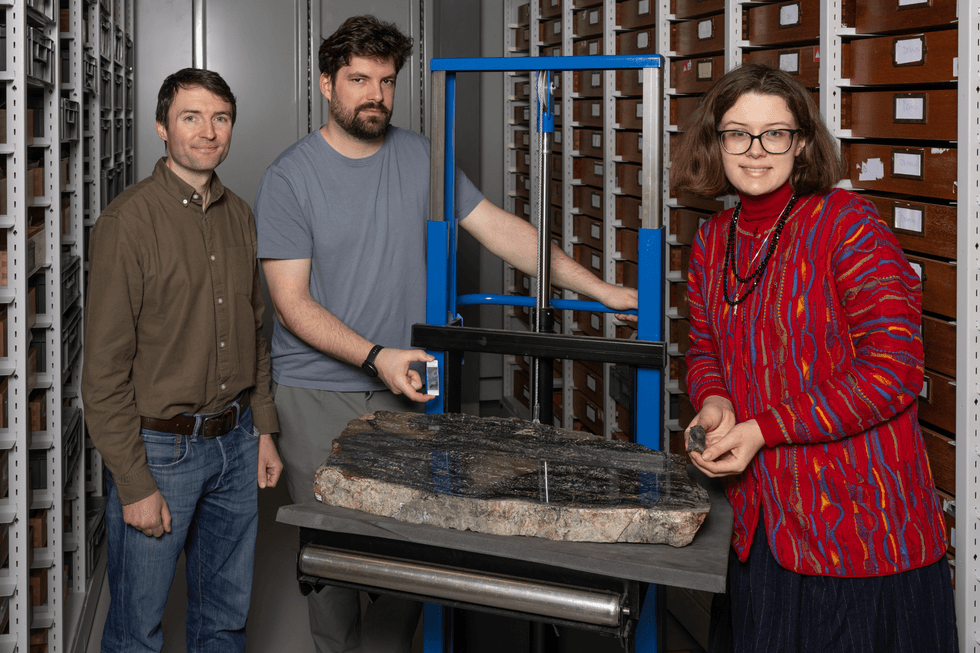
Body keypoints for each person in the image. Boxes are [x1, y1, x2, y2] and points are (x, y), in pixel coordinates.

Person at [254, 14, 638, 653]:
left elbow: (505, 231)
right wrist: (375, 357)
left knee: (412, 547)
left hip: (409, 382)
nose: (375, 94)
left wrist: (598, 291)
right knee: (336, 555)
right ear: (326, 84)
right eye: (358, 79)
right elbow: (293, 306)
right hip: (318, 387)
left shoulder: (423, 157)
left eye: (386, 80)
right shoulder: (289, 178)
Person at [671, 62, 957, 652]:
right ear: (715, 140)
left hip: (857, 528)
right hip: (763, 526)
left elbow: (894, 368)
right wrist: (715, 402)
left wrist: (762, 429)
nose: (755, 150)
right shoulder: (712, 239)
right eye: (737, 133)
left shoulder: (844, 225)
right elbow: (703, 348)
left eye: (774, 133)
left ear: (800, 144)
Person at [81, 68, 283, 653]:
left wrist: (264, 430)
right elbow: (103, 375)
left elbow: (255, 330)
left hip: (236, 440)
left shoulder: (240, 214)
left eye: (220, 118)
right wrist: (134, 481)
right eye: (190, 117)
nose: (208, 132)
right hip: (160, 452)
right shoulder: (128, 223)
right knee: (136, 630)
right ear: (162, 129)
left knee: (223, 619)